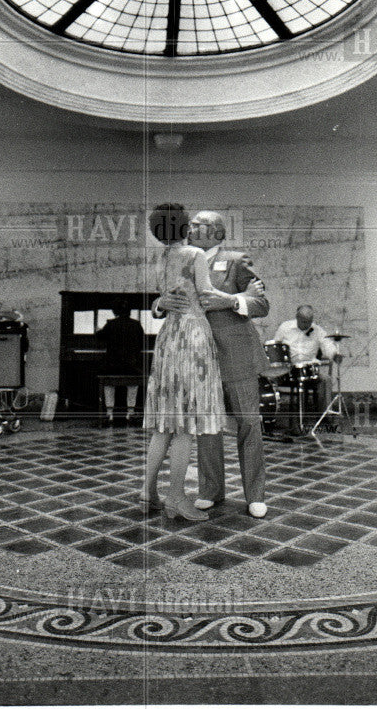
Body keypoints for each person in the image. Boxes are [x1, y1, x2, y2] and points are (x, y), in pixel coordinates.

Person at [156, 210, 270, 519]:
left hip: (237, 357)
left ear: (217, 233)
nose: (190, 227)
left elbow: (262, 304)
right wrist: (159, 306)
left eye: (198, 224)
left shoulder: (235, 260)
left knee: (248, 424)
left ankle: (255, 495)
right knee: (207, 427)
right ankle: (210, 490)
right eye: (190, 223)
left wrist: (231, 300)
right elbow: (165, 297)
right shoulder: (181, 258)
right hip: (198, 359)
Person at [142, 203, 229, 522]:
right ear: (182, 226)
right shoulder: (195, 255)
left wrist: (160, 303)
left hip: (168, 338)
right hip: (192, 337)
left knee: (165, 424)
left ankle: (147, 491)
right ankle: (176, 498)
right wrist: (235, 296)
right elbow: (206, 294)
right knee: (184, 427)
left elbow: (165, 295)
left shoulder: (161, 256)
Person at [272, 304, 342, 427]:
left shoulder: (318, 330)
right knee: (268, 379)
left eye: (309, 322)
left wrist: (334, 354)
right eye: (304, 322)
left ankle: (324, 418)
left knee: (326, 380)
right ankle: (272, 419)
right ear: (297, 318)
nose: (307, 325)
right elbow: (275, 346)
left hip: (310, 371)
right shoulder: (285, 327)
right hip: (288, 370)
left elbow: (327, 345)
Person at [96, 300, 146, 425]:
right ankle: (130, 411)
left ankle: (109, 413)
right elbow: (142, 342)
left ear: (115, 312)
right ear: (129, 312)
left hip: (113, 366)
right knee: (133, 383)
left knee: (109, 383)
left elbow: (99, 336)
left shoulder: (111, 324)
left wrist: (98, 330)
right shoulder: (136, 324)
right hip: (131, 366)